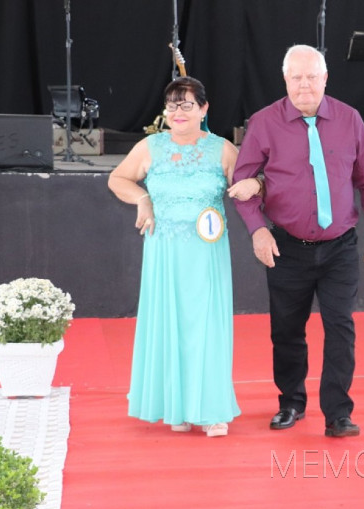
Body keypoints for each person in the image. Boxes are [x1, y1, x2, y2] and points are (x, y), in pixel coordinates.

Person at [227, 44, 364, 438]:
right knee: (286, 330)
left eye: (311, 77)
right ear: (285, 80)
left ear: (325, 79)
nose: (304, 85)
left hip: (340, 247)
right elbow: (242, 183)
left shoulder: (350, 119)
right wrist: (258, 230)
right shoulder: (264, 123)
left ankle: (338, 413)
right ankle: (291, 403)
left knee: (340, 327)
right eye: (296, 77)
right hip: (287, 246)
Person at [108, 76, 260, 437]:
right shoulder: (150, 146)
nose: (178, 112)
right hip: (164, 250)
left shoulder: (223, 149)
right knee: (168, 323)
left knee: (204, 325)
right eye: (172, 105)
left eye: (187, 104)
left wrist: (253, 185)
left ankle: (209, 409)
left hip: (206, 252)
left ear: (204, 109)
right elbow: (118, 179)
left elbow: (249, 186)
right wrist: (143, 199)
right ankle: (176, 406)